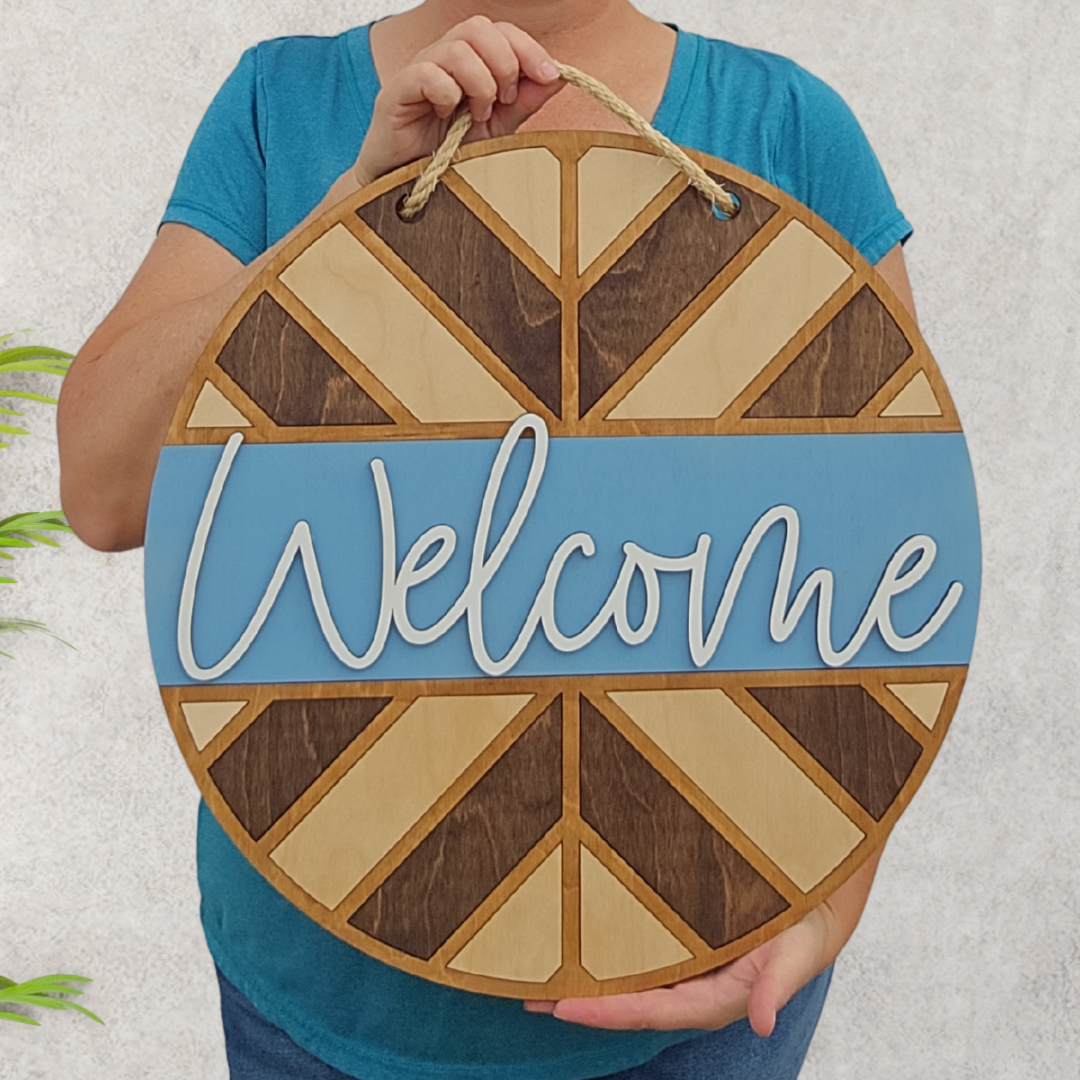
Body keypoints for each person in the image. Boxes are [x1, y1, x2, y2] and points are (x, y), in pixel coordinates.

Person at [57, 2, 916, 1077]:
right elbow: (103, 488)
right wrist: (340, 218)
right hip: (322, 1010)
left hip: (697, 1000)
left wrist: (830, 903)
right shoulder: (285, 105)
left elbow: (895, 571)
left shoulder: (786, 127)